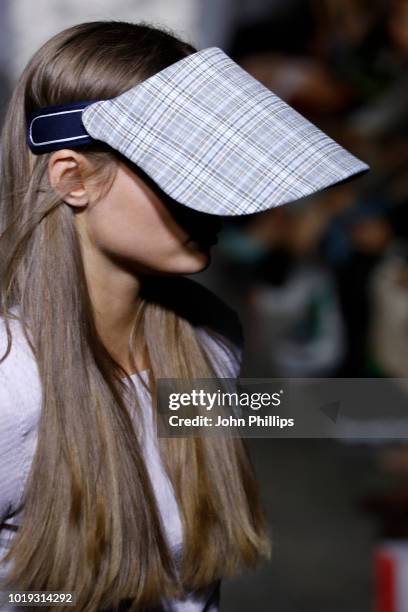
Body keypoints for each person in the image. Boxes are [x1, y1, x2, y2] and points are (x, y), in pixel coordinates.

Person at [0, 19, 369, 612]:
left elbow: (181, 410)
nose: (218, 203)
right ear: (71, 178)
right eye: (179, 173)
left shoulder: (207, 336)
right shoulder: (12, 384)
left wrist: (384, 410)